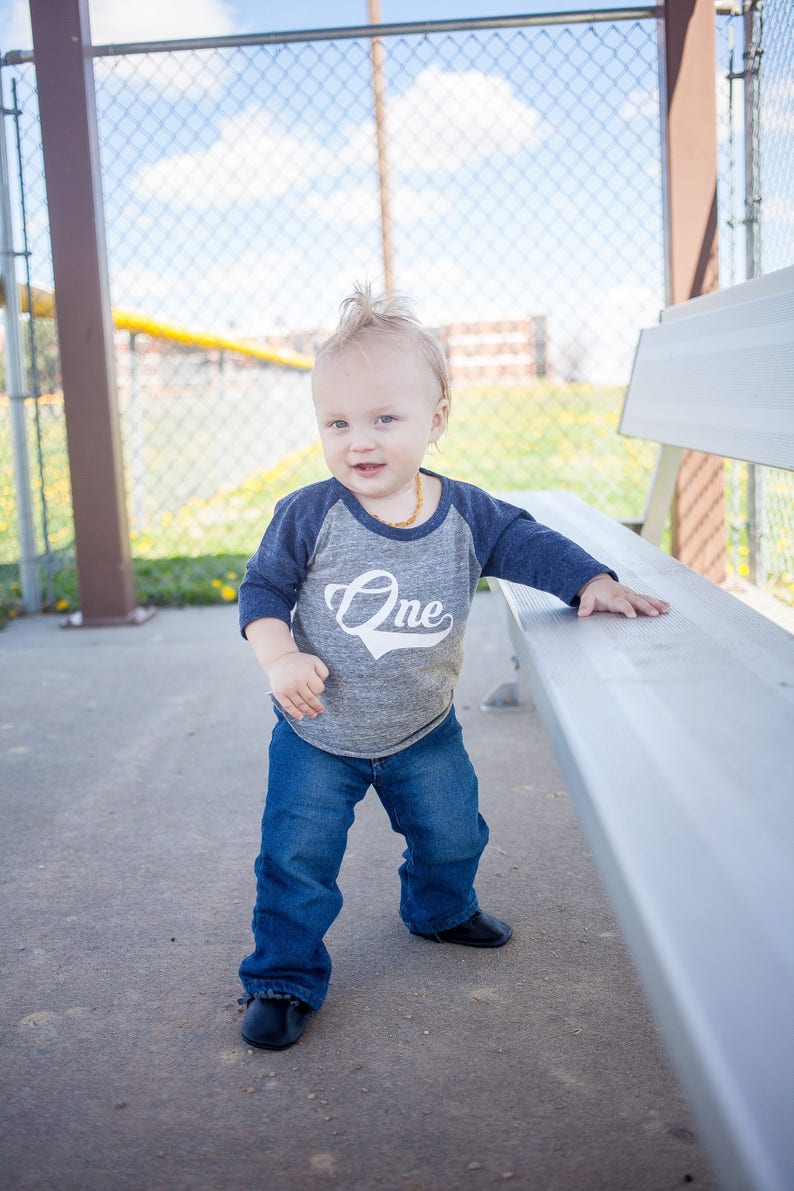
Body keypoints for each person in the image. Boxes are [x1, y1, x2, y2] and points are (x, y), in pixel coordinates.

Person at [237, 284, 670, 1051]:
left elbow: (528, 543)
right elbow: (263, 588)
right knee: (296, 859)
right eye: (336, 423)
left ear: (436, 421)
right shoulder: (310, 513)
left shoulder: (465, 513)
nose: (358, 442)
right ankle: (282, 976)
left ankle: (439, 908)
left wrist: (589, 580)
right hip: (317, 732)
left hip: (421, 730)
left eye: (384, 418)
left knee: (454, 833)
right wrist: (280, 654)